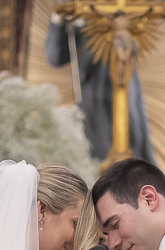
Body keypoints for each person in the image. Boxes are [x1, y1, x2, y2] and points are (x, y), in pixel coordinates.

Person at [46, 12, 156, 163]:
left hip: (126, 90)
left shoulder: (126, 15)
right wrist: (58, 20)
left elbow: (135, 46)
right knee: (98, 151)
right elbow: (55, 56)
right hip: (94, 97)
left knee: (134, 145)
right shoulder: (83, 21)